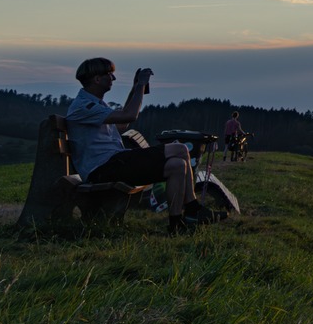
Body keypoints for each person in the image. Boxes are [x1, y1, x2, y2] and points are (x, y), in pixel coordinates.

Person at [66, 57, 226, 235]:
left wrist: (135, 88)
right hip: (103, 169)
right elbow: (130, 116)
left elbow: (121, 125)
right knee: (180, 149)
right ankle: (193, 209)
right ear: (97, 79)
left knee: (177, 165)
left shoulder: (95, 104)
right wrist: (141, 85)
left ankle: (176, 224)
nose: (113, 78)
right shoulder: (84, 106)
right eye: (109, 74)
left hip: (112, 164)